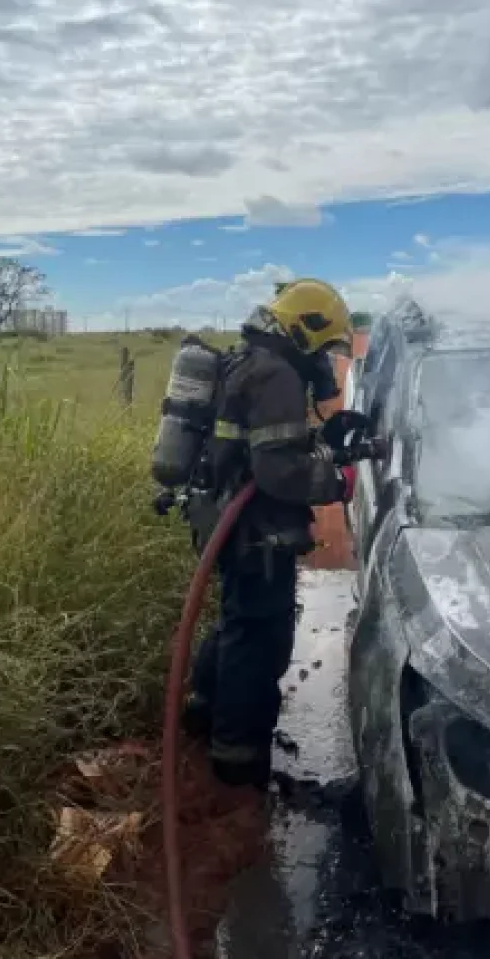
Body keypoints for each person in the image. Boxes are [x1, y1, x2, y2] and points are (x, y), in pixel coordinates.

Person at [180, 278, 370, 788]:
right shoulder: (277, 376)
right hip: (256, 531)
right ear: (303, 330)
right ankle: (238, 762)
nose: (327, 362)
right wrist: (340, 480)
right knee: (260, 638)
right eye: (325, 346)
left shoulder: (248, 361)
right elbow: (278, 472)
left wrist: (322, 439)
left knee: (237, 623)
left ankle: (203, 715)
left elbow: (259, 444)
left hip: (227, 523)